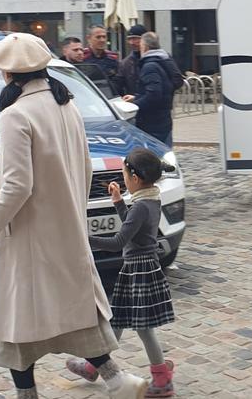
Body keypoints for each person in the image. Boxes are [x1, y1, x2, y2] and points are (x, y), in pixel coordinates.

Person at [0, 33, 148, 399]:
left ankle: (28, 396)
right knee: (74, 313)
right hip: (65, 229)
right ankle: (117, 381)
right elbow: (85, 169)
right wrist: (70, 208)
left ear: (8, 73)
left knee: (17, 326)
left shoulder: (16, 114)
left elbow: (15, 187)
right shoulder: (66, 105)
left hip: (27, 237)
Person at [69, 148, 178, 397]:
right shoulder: (150, 198)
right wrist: (118, 201)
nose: (123, 180)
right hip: (141, 266)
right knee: (117, 319)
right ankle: (94, 365)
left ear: (135, 179)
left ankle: (162, 380)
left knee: (143, 328)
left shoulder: (141, 206)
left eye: (124, 176)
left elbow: (119, 241)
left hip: (138, 269)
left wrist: (85, 239)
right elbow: (133, 227)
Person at [123, 32, 177, 145]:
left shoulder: (150, 66)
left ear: (145, 47)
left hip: (152, 121)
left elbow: (154, 94)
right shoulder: (164, 60)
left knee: (155, 155)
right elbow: (176, 82)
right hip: (164, 117)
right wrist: (136, 97)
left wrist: (134, 105)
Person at [83, 26, 122, 91]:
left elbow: (118, 81)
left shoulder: (113, 58)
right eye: (98, 37)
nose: (102, 40)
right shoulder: (82, 57)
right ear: (88, 38)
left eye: (104, 37)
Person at [118, 24, 147, 96]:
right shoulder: (125, 63)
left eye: (135, 39)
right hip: (133, 104)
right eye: (129, 39)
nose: (131, 42)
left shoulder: (158, 58)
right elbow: (119, 86)